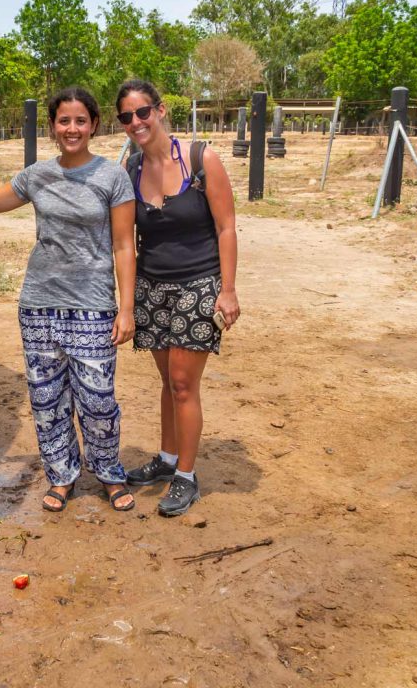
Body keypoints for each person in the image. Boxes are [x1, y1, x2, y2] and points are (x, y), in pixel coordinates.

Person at [0, 86, 137, 512]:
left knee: (98, 401)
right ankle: (61, 476)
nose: (71, 129)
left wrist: (125, 309)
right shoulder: (36, 175)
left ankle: (109, 472)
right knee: (47, 399)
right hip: (38, 307)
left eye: (80, 121)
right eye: (63, 121)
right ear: (52, 127)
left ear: (93, 125)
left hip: (92, 307)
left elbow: (125, 247)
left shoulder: (113, 177)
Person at [116, 79, 240, 517]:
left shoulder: (200, 158)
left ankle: (187, 476)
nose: (136, 122)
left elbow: (226, 227)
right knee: (168, 382)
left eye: (143, 112)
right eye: (126, 117)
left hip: (198, 284)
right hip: (153, 288)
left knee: (185, 385)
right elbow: (125, 241)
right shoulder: (130, 169)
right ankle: (167, 460)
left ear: (161, 110)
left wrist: (227, 290)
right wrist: (127, 303)